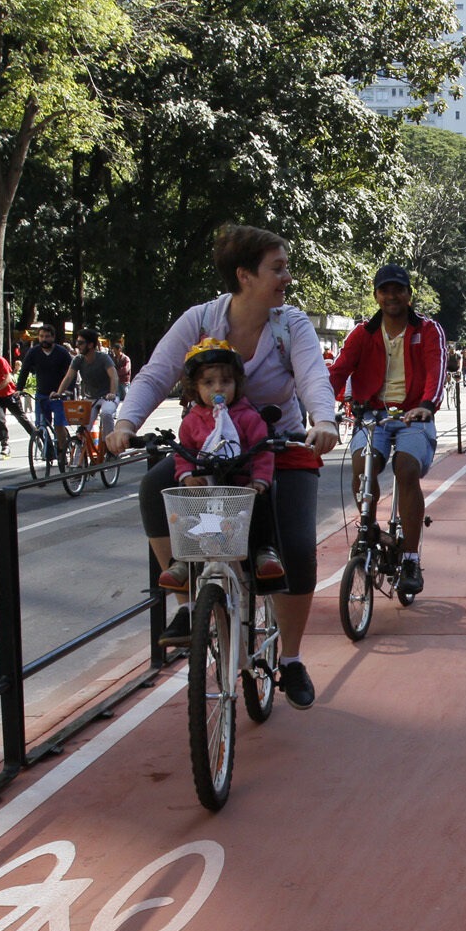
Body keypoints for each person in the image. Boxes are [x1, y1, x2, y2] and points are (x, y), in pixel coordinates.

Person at [104, 224, 338, 709]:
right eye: (278, 268)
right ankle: (188, 599)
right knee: (153, 487)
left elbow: (314, 376)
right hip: (208, 450)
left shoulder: (289, 325)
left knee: (296, 546)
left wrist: (324, 420)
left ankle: (291, 659)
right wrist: (125, 423)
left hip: (278, 446)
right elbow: (156, 373)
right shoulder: (201, 320)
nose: (286, 278)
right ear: (245, 275)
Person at [326, 263, 446, 598]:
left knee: (406, 468)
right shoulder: (362, 333)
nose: (391, 296)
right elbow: (338, 371)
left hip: (414, 415)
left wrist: (426, 405)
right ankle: (368, 528)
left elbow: (437, 369)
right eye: (385, 290)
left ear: (409, 295)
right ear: (376, 295)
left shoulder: (428, 329)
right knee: (364, 466)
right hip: (372, 414)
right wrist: (320, 409)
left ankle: (409, 557)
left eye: (398, 289)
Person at [159, 338, 284, 587]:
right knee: (188, 512)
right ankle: (183, 561)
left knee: (261, 505)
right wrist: (186, 477)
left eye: (226, 382)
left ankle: (265, 552)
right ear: (195, 388)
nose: (218, 388)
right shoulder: (191, 421)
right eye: (208, 383)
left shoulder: (248, 417)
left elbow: (263, 451)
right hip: (207, 487)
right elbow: (184, 453)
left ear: (237, 384)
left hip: (242, 486)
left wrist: (259, 480)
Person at [0, 338, 38, 456]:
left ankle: (37, 438)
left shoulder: (0, 361)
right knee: (0, 420)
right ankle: (5, 444)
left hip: (9, 395)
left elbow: (8, 378)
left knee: (22, 419)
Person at [16, 325, 74, 448]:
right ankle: (48, 450)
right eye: (41, 336)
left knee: (58, 425)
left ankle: (61, 451)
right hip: (41, 395)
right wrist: (19, 389)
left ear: (53, 337)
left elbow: (71, 373)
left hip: (58, 395)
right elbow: (24, 370)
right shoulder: (33, 352)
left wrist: (68, 390)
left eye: (47, 336)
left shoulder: (62, 352)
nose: (44, 339)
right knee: (40, 424)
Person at [54, 327, 119, 434]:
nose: (77, 345)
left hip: (107, 397)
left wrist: (112, 393)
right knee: (82, 429)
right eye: (77, 342)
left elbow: (114, 376)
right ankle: (79, 449)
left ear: (91, 345)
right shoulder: (78, 360)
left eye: (81, 343)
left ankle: (109, 446)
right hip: (90, 399)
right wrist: (59, 393)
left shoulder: (103, 358)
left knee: (106, 414)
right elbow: (68, 377)